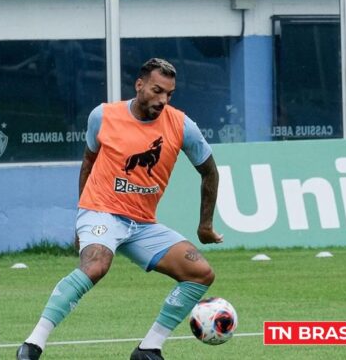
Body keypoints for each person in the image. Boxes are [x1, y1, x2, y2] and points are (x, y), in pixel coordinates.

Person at [17, 58, 223, 360]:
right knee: (96, 265)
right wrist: (80, 219)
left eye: (169, 94)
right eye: (157, 90)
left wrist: (205, 225)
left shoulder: (181, 125)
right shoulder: (103, 116)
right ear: (139, 85)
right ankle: (33, 344)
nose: (163, 100)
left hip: (142, 223)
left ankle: (149, 348)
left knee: (200, 273)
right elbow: (88, 164)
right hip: (100, 210)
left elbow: (210, 171)